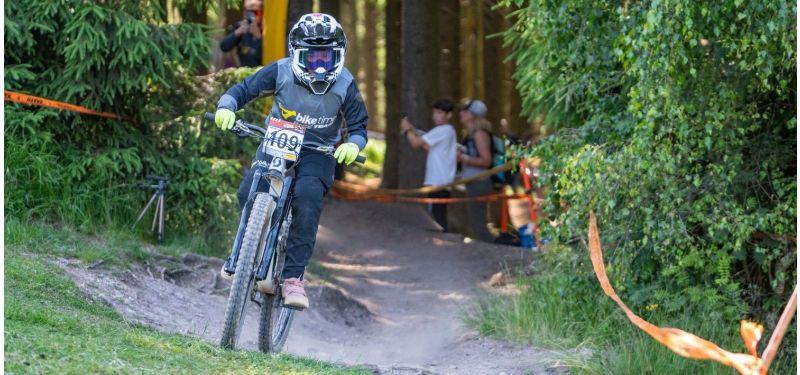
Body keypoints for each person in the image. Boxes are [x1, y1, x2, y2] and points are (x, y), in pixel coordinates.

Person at [214, 13, 367, 310]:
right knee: (248, 191)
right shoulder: (281, 70)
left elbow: (359, 125)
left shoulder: (345, 83)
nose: (320, 65)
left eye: (327, 57)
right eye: (313, 58)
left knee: (308, 200)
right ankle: (242, 255)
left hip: (319, 151)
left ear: (340, 56)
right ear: (297, 54)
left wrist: (352, 144)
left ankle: (293, 278)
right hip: (277, 140)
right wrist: (227, 106)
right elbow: (243, 90)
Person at [399, 98, 458, 232]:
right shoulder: (448, 131)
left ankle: (441, 246)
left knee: (437, 221)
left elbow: (416, 143)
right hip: (441, 182)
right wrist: (411, 130)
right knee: (438, 217)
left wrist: (407, 130)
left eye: (439, 113)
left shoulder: (443, 130)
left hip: (438, 183)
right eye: (434, 113)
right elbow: (427, 147)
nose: (435, 116)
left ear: (449, 115)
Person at [457, 99, 494, 242]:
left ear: (473, 114)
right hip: (473, 182)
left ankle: (491, 252)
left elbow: (486, 161)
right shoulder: (470, 134)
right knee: (475, 222)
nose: (461, 113)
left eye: (465, 111)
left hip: (480, 182)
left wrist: (463, 158)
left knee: (479, 223)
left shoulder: (479, 134)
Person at [220, 0, 263, 67]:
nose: (251, 15)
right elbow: (224, 47)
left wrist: (258, 38)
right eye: (248, 12)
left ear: (261, 13)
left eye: (255, 12)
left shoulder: (266, 28)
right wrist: (237, 33)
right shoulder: (239, 27)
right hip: (245, 72)